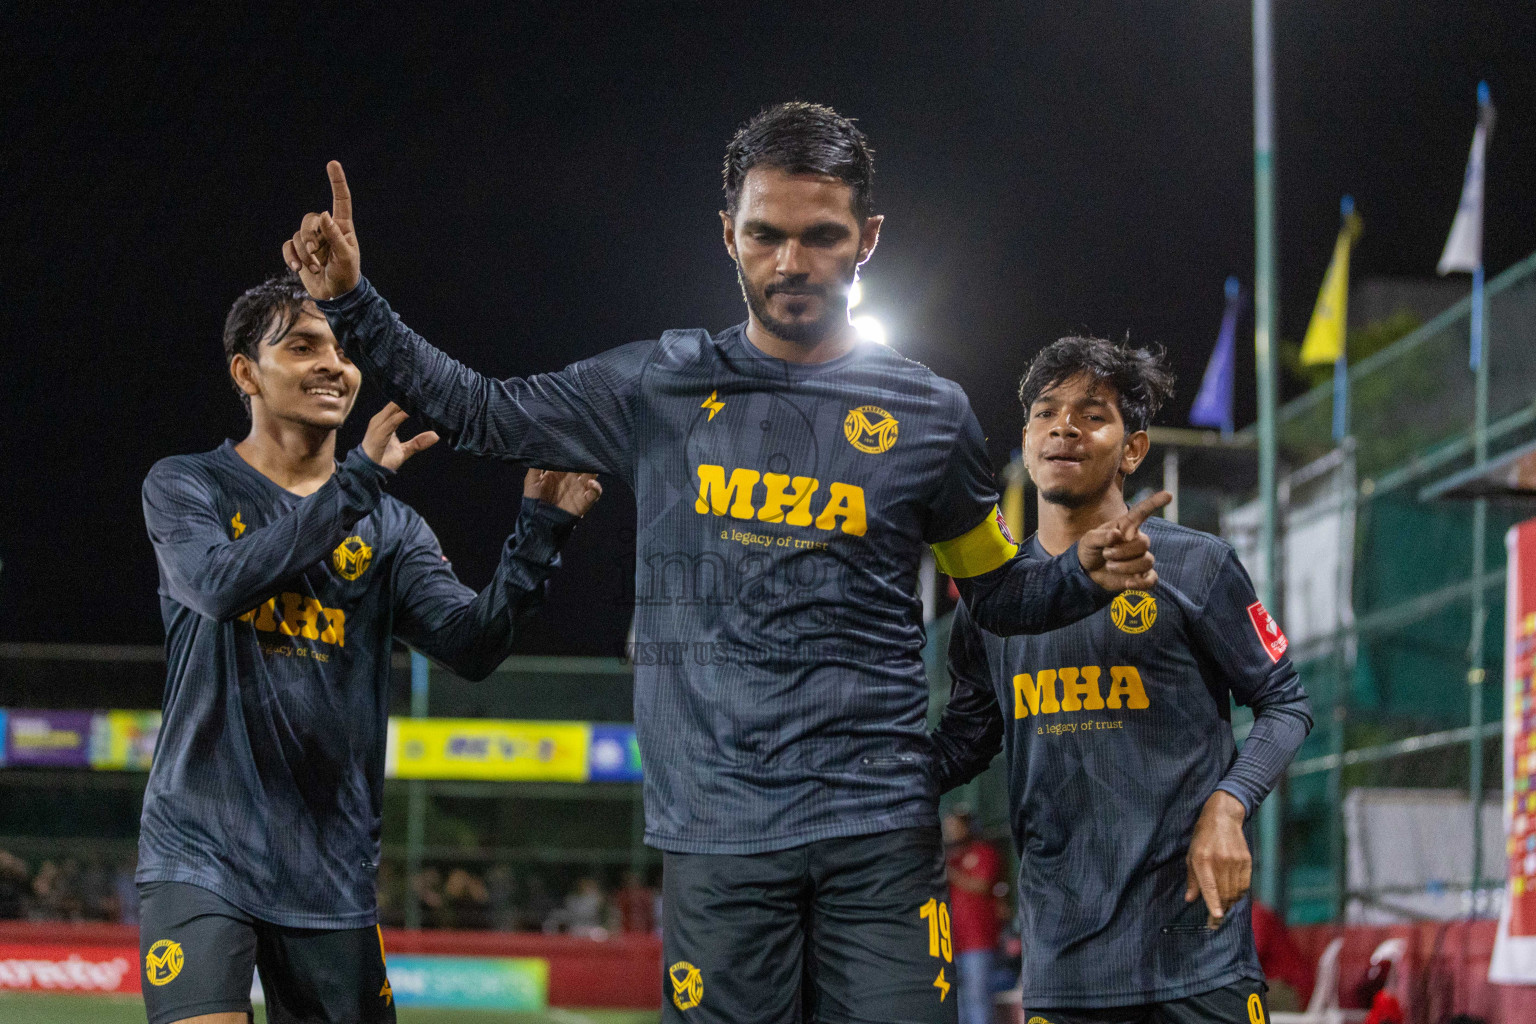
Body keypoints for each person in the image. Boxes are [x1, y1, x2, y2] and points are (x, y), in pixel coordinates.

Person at [282, 103, 1167, 1024]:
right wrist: (354, 302)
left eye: (821, 237)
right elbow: (479, 410)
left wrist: (1077, 577)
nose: (792, 263)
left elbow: (997, 594)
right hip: (718, 836)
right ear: (728, 236)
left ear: (866, 240)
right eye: (766, 236)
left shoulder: (929, 413)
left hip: (879, 837)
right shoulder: (657, 384)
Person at [137, 272, 600, 1024]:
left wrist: (538, 535)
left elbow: (470, 646)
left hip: (329, 868)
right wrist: (356, 483)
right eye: (303, 345)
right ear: (245, 372)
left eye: (344, 350)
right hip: (201, 849)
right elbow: (219, 585)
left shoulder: (393, 528)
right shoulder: (186, 487)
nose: (334, 364)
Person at [929, 337, 1314, 1024]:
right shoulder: (991, 603)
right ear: (1025, 437)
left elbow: (1285, 703)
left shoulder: (1196, 566)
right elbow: (962, 745)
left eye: (1091, 414)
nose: (1064, 427)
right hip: (1065, 969)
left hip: (1198, 959)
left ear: (1133, 450)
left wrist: (1229, 805)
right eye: (1046, 413)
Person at [943, 809, 1003, 1024]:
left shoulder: (984, 852)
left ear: (967, 827)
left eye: (954, 826)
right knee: (957, 1002)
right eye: (947, 827)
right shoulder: (950, 858)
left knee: (978, 1000)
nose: (949, 832)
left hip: (979, 942)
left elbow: (982, 885)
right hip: (952, 942)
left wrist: (951, 872)